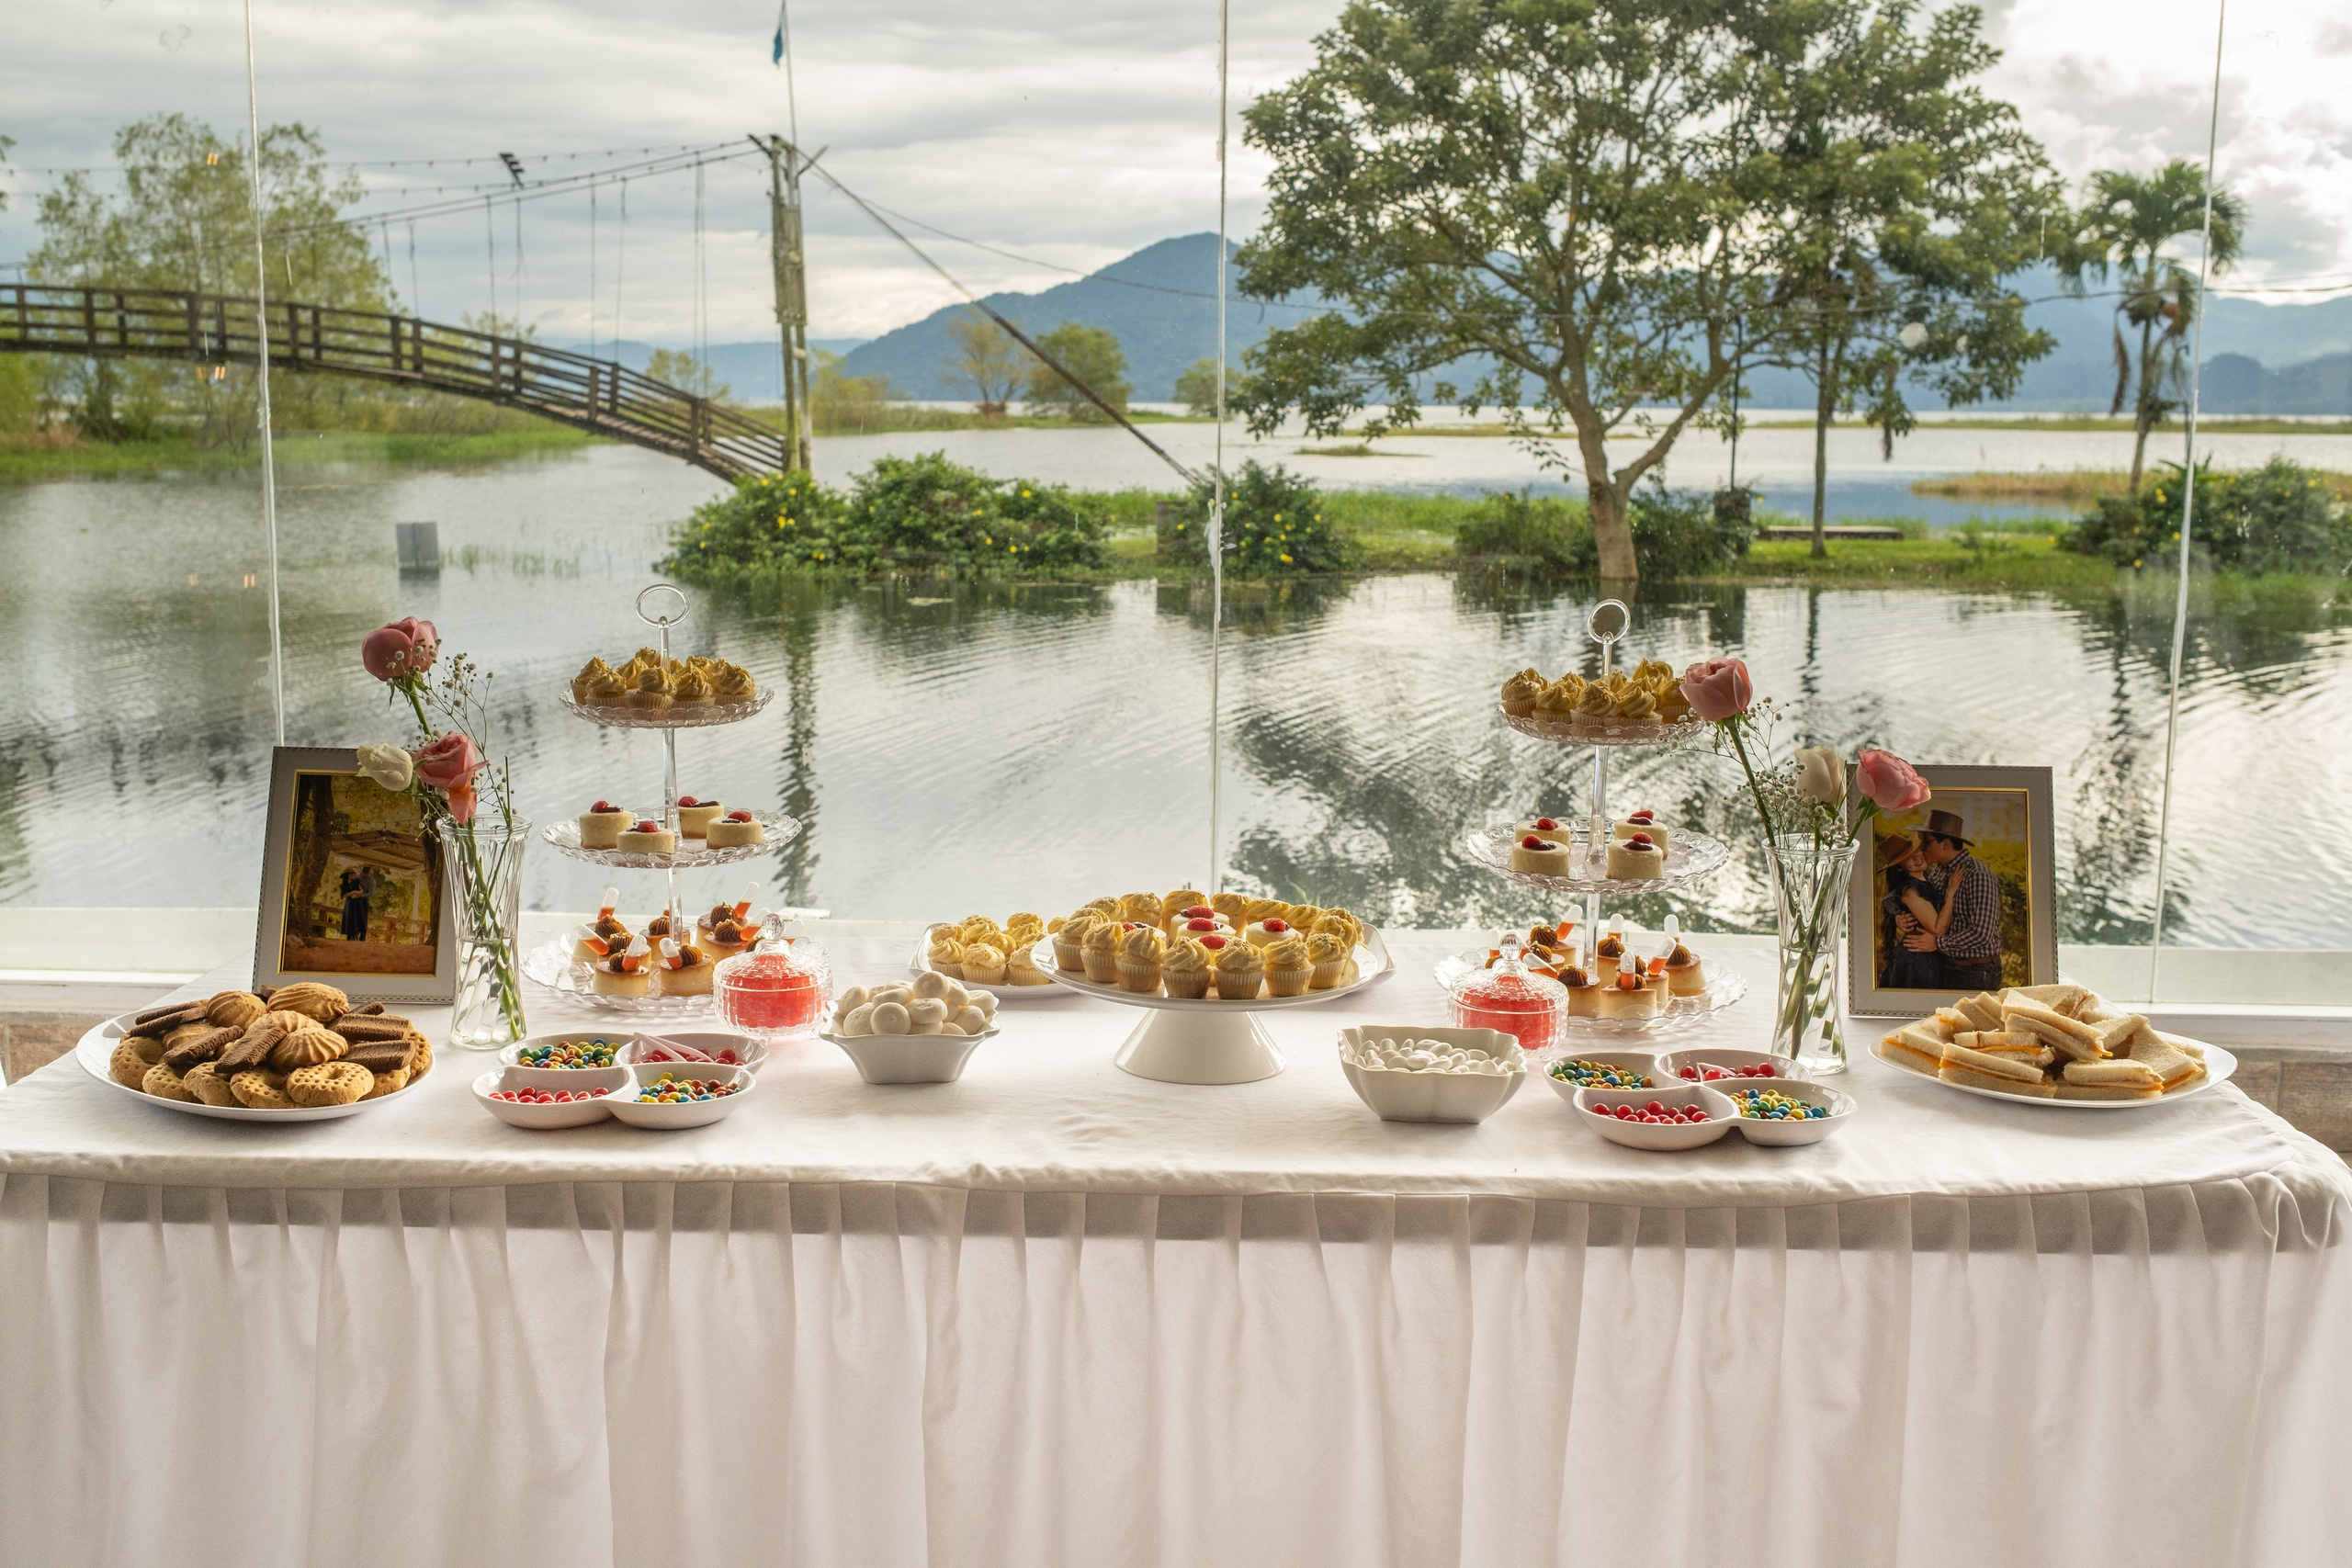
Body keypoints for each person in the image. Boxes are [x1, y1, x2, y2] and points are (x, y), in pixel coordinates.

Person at [1902, 808, 2002, 990]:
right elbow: (1930, 912)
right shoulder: (1940, 871)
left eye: (1926, 842)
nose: (1921, 847)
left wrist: (1937, 943)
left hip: (1976, 971)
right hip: (1948, 965)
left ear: (1946, 844)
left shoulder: (1978, 876)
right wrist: (1902, 919)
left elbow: (1981, 934)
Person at [1875, 832, 1951, 988]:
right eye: (1908, 858)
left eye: (1916, 851)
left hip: (1927, 955)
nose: (1917, 857)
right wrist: (1951, 894)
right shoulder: (1911, 891)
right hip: (1918, 959)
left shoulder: (1927, 880)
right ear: (1900, 868)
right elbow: (1937, 929)